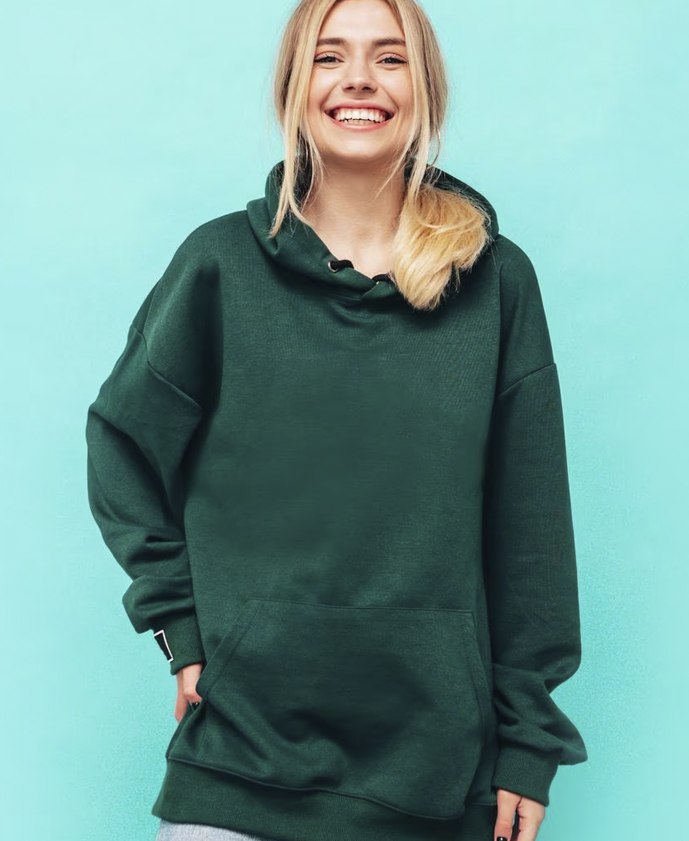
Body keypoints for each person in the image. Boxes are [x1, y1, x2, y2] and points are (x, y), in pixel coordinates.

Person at [84, 0, 589, 839]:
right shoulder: (219, 266)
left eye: (389, 58)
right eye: (329, 57)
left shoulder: (497, 284)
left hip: (436, 779)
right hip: (240, 758)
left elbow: (530, 530)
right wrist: (180, 627)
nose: (358, 79)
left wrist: (528, 742)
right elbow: (123, 445)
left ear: (424, 88)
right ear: (293, 86)